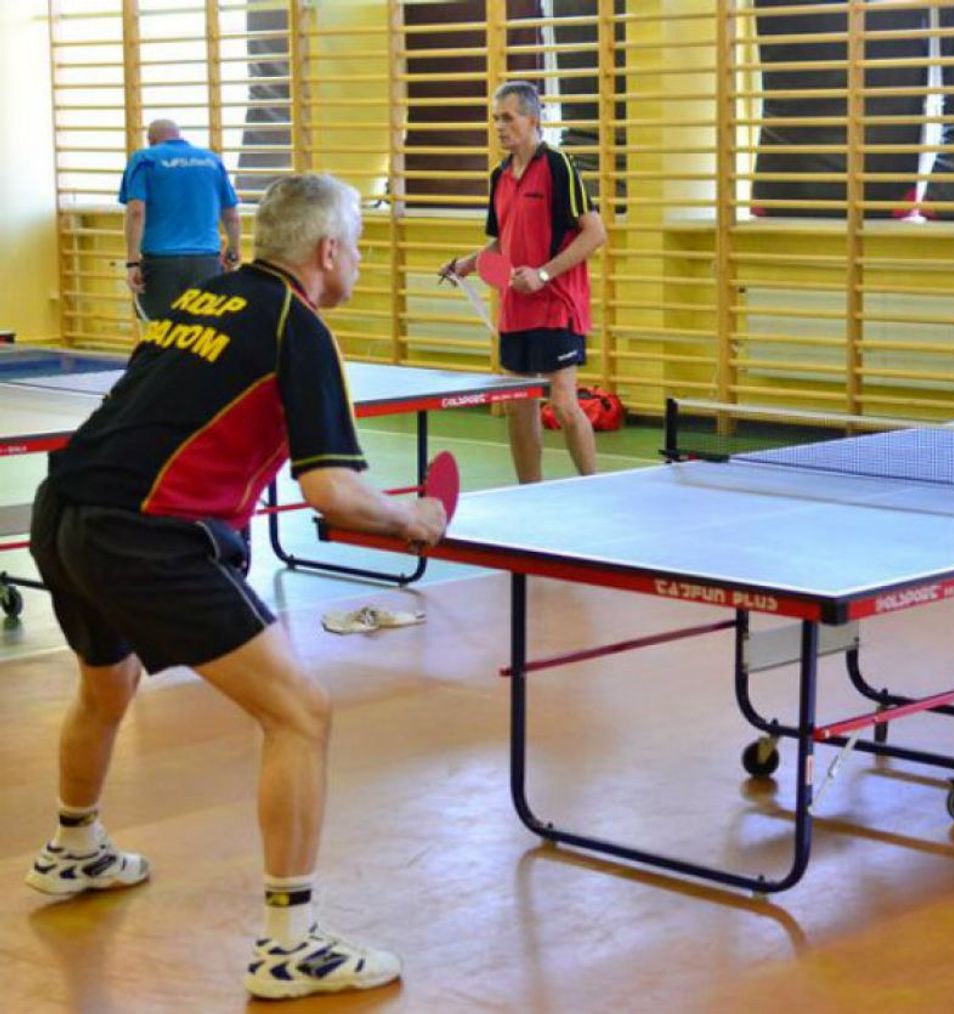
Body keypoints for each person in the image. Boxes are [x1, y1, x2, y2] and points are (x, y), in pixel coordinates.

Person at [25, 173, 445, 1000]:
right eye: (358, 245)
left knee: (107, 685)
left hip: (64, 510)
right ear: (328, 250)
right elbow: (330, 490)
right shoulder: (299, 327)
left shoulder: (203, 299)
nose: (360, 260)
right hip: (147, 537)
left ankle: (75, 849)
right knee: (300, 713)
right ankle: (291, 947)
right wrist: (412, 516)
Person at [440, 80, 607, 483]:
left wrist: (544, 273)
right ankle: (528, 494)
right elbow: (504, 240)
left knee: (563, 404)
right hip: (516, 310)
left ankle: (594, 487)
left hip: (557, 305)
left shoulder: (557, 166)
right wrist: (466, 264)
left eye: (508, 118)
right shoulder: (499, 175)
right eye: (495, 119)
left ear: (532, 120)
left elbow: (595, 233)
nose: (499, 126)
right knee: (518, 407)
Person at [120, 119, 242, 320]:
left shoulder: (144, 159)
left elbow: (136, 213)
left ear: (151, 140)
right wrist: (233, 251)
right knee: (203, 331)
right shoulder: (213, 161)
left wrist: (132, 263)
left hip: (160, 264)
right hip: (206, 262)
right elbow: (232, 216)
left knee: (161, 331)